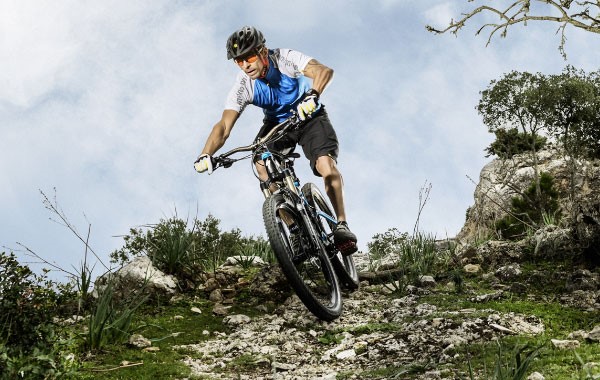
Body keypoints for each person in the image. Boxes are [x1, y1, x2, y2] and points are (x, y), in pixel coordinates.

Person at [194, 25, 357, 255]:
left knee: (325, 165)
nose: (245, 65)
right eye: (238, 61)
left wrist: (313, 95)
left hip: (310, 115)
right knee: (261, 164)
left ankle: (341, 225)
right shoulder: (244, 85)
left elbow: (323, 71)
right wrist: (205, 154)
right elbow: (223, 126)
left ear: (262, 51)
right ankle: (295, 229)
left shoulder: (285, 58)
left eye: (249, 57)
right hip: (278, 125)